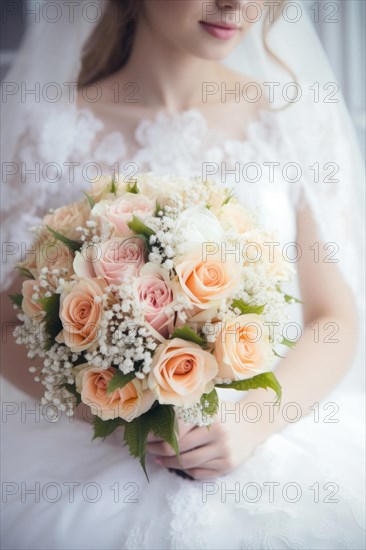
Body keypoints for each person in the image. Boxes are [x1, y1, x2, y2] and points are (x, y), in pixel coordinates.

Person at [1, 1, 364, 548]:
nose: (236, 4)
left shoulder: (287, 122)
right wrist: (113, 410)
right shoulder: (54, 134)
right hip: (97, 441)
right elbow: (5, 326)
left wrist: (256, 420)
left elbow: (334, 316)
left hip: (265, 428)